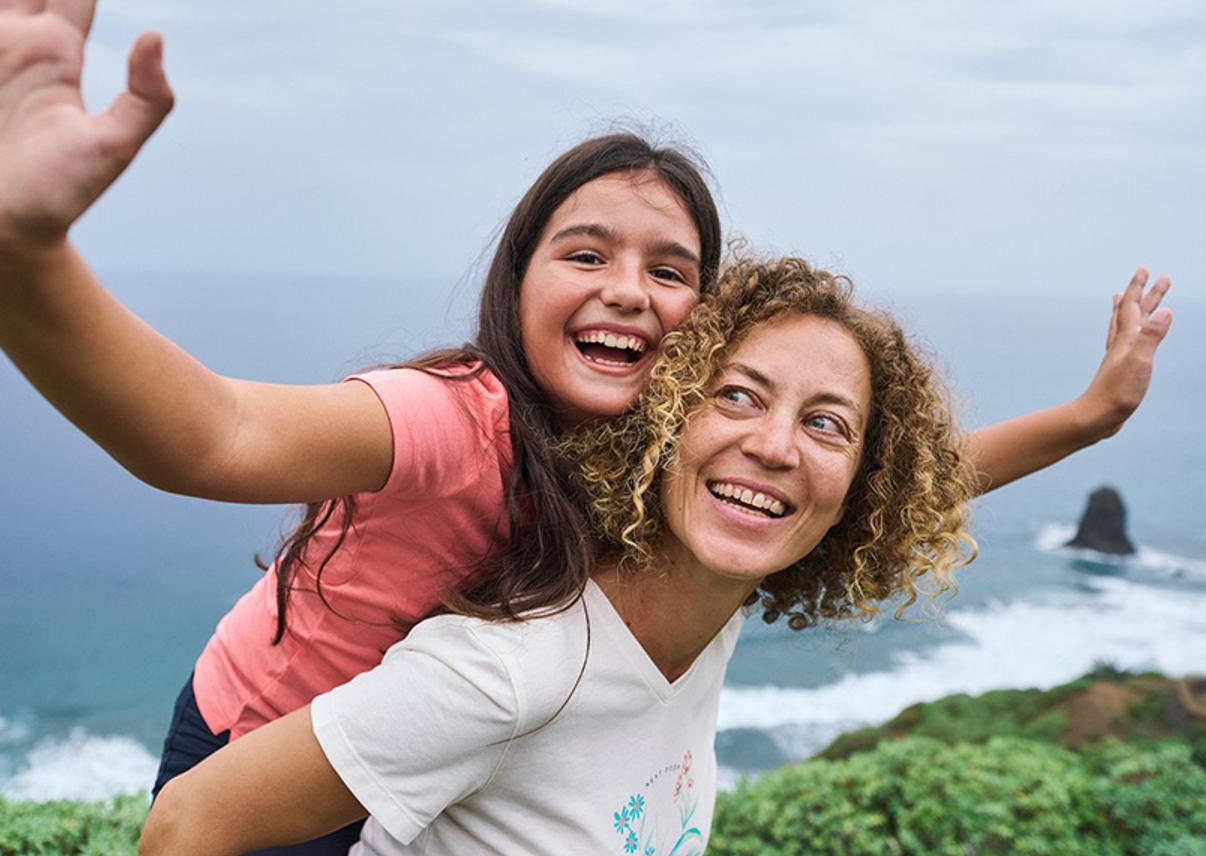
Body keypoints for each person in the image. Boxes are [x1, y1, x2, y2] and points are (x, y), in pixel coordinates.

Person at [0, 0, 1173, 853]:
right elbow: (211, 439)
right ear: (515, 280)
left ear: (704, 329)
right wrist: (10, 263)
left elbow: (872, 485)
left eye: (671, 271)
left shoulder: (672, 466)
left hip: (419, 745)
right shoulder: (450, 419)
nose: (626, 290)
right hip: (268, 737)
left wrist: (1087, 420)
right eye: (583, 251)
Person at [139, 255, 983, 854]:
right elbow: (187, 828)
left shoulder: (711, 607)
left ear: (864, 494)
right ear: (667, 420)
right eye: (736, 396)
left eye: (825, 424)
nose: (774, 447)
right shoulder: (515, 669)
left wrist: (1091, 417)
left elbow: (931, 480)